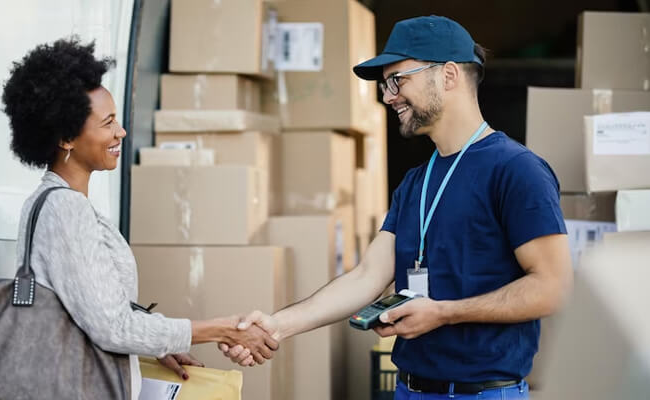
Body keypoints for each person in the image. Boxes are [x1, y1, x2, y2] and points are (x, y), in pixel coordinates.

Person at [220, 15, 573, 399]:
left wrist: (443, 313)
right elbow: (368, 276)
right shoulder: (415, 183)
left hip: (481, 393)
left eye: (397, 80)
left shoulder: (516, 170)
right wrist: (276, 325)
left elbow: (553, 287)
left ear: (449, 75)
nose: (388, 96)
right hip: (409, 389)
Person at [2, 37, 277, 399]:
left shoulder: (54, 202)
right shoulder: (65, 209)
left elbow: (92, 308)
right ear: (67, 137)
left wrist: (158, 341)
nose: (121, 132)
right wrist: (221, 329)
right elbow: (112, 326)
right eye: (108, 123)